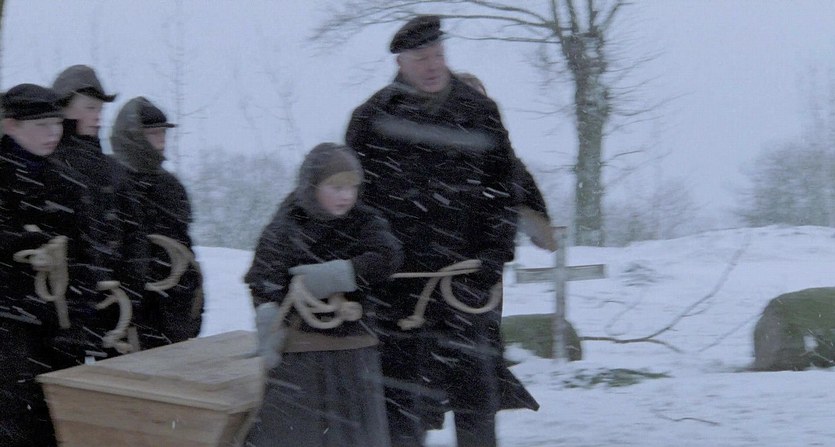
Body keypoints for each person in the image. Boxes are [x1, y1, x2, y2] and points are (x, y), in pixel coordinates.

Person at [345, 15, 536, 447]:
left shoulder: (480, 112)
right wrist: (371, 263)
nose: (433, 66)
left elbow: (503, 190)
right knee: (402, 409)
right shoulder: (371, 119)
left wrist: (496, 254)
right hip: (399, 290)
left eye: (438, 55)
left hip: (467, 286)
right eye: (421, 58)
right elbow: (355, 207)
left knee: (476, 403)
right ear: (400, 62)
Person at [243, 143, 403, 447]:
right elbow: (263, 276)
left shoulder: (365, 221)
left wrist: (337, 275)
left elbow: (389, 255)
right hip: (301, 354)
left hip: (353, 353)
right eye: (336, 187)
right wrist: (268, 315)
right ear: (313, 186)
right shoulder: (288, 222)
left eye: (352, 187)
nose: (346, 196)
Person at [0, 83, 98, 446]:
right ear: (11, 125)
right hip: (9, 329)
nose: (53, 133)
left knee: (56, 427)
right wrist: (20, 244)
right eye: (42, 125)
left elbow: (87, 260)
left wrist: (80, 324)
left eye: (56, 123)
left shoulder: (69, 186)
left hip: (58, 329)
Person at [51, 64, 147, 361]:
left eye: (101, 109)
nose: (98, 117)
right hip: (61, 314)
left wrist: (131, 289)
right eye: (90, 108)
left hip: (112, 307)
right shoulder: (48, 168)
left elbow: (135, 235)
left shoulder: (113, 170)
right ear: (64, 109)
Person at [109, 97, 203, 348]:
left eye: (163, 133)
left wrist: (192, 310)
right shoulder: (111, 182)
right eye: (152, 134)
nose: (161, 141)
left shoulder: (170, 186)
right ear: (134, 137)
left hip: (171, 313)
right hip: (126, 315)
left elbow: (184, 251)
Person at [456, 71, 556, 251]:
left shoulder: (505, 162)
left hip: (488, 258)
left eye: (480, 101)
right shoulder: (434, 154)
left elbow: (540, 227)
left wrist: (540, 228)